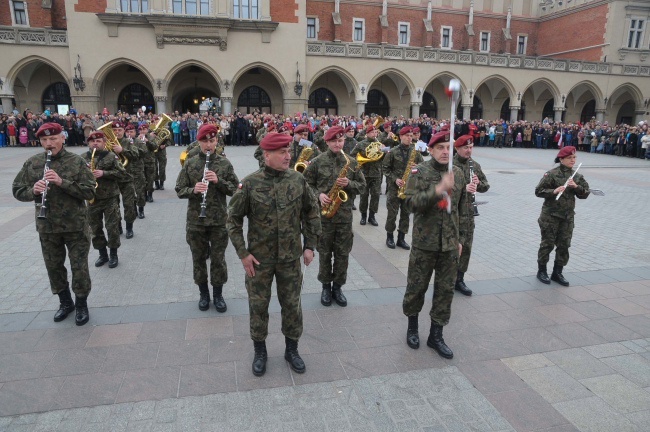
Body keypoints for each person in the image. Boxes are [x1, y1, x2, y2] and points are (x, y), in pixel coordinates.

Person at [227, 132, 321, 377]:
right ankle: (260, 351)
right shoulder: (249, 184)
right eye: (282, 153)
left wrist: (310, 245)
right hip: (260, 260)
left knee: (292, 305)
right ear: (267, 155)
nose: (288, 156)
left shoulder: (298, 181)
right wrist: (243, 253)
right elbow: (233, 220)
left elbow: (312, 214)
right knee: (258, 306)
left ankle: (292, 350)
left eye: (289, 151)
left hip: (290, 259)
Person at [12, 123, 96, 325]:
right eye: (44, 140)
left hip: (75, 226)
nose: (49, 144)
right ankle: (65, 302)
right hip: (47, 226)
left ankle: (81, 303)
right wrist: (33, 190)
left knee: (79, 267)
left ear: (63, 138)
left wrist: (61, 182)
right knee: (54, 267)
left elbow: (89, 192)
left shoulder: (76, 162)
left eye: (53, 139)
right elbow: (17, 190)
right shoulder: (33, 163)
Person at [401, 130, 469, 359]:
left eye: (448, 148)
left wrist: (460, 240)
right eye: (440, 148)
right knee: (416, 287)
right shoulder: (419, 172)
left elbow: (462, 209)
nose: (445, 152)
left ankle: (436, 335)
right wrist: (438, 189)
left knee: (445, 291)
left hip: (449, 244)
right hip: (424, 243)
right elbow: (410, 204)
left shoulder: (458, 173)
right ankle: (412, 328)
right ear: (430, 150)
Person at [177, 124, 239, 312]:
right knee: (198, 258)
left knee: (218, 259)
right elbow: (179, 189)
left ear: (217, 141)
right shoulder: (190, 162)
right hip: (196, 221)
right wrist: (193, 190)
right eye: (205, 141)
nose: (209, 145)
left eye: (212, 141)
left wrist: (219, 182)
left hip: (219, 220)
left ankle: (218, 294)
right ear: (199, 142)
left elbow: (236, 189)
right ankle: (203, 294)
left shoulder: (224, 164)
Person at [303, 126, 366, 308]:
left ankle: (338, 287)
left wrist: (349, 183)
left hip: (344, 217)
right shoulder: (317, 161)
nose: (338, 144)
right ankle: (325, 287)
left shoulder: (352, 162)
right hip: (324, 217)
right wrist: (319, 195)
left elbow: (362, 186)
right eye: (334, 141)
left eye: (341, 141)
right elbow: (306, 183)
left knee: (342, 254)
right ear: (327, 142)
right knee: (324, 253)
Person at [535, 146, 590, 286]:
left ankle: (557, 272)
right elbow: (539, 191)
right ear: (562, 159)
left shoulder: (576, 176)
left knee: (564, 245)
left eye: (574, 157)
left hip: (567, 217)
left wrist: (576, 187)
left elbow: (585, 193)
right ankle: (542, 271)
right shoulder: (552, 174)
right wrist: (554, 191)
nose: (573, 160)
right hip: (550, 216)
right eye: (570, 158)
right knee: (547, 244)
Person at [83, 130, 129, 268]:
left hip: (109, 198)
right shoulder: (82, 158)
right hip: (92, 198)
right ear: (89, 143)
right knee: (95, 228)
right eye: (92, 141)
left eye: (98, 141)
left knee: (112, 227)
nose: (95, 143)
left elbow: (122, 173)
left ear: (104, 143)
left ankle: (113, 254)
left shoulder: (111, 156)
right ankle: (102, 254)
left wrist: (104, 173)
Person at [452, 135, 490, 296]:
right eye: (465, 148)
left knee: (466, 247)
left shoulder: (474, 165)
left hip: (468, 214)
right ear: (457, 149)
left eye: (471, 147)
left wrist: (478, 184)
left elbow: (486, 185)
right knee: (451, 248)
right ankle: (447, 278)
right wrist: (463, 188)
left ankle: (459, 279)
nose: (469, 150)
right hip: (452, 213)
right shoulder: (449, 165)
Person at [381, 126, 424, 249]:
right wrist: (395, 179)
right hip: (395, 188)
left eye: (411, 136)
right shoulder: (392, 151)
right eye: (407, 136)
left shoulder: (415, 151)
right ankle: (389, 237)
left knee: (406, 214)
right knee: (392, 214)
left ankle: (401, 238)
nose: (410, 138)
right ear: (401, 136)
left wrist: (417, 167)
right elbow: (385, 168)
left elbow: (424, 166)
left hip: (409, 187)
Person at [351, 125, 384, 226]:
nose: (375, 134)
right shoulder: (361, 144)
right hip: (364, 174)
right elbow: (352, 155)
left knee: (375, 195)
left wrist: (384, 151)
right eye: (372, 132)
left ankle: (372, 216)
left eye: (376, 133)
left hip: (376, 173)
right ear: (367, 133)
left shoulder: (379, 144)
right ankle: (363, 216)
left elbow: (384, 158)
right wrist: (359, 163)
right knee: (364, 196)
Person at [110, 121, 138, 238]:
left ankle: (129, 227)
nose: (117, 132)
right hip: (113, 179)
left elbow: (136, 155)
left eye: (119, 130)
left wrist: (122, 151)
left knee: (129, 204)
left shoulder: (128, 142)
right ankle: (118, 226)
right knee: (114, 206)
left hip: (127, 178)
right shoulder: (108, 143)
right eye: (115, 130)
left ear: (123, 131)